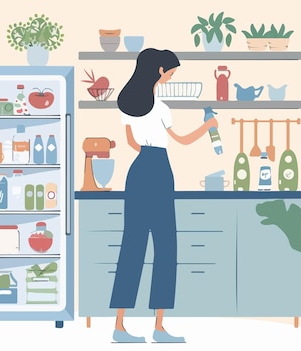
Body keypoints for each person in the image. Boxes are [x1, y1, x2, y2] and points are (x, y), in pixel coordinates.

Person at [109, 48, 218, 343]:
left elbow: (131, 141)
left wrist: (146, 155)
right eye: (171, 73)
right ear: (159, 70)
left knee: (132, 247)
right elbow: (181, 141)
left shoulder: (127, 103)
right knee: (166, 248)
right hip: (159, 172)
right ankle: (158, 328)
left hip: (138, 171)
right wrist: (208, 126)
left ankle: (119, 327)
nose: (171, 77)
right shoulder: (160, 107)